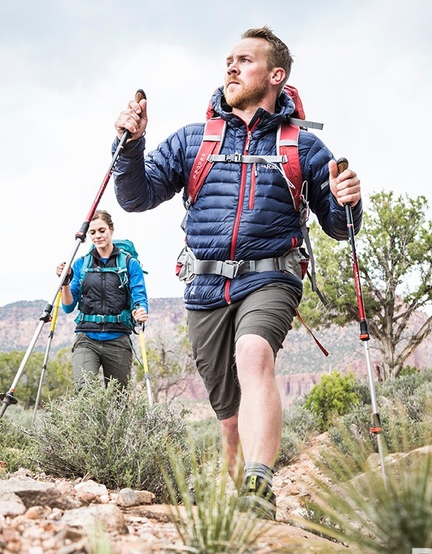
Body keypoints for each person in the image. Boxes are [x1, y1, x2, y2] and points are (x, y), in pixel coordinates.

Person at [111, 26, 362, 519]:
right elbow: (135, 198)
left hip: (272, 275)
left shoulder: (302, 147)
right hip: (204, 284)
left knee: (254, 354)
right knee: (228, 418)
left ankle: (258, 488)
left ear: (275, 75)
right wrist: (131, 146)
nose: (231, 67)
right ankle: (234, 508)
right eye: (228, 59)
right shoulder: (193, 140)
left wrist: (347, 199)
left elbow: (339, 226)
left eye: (244, 60)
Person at [55, 209, 149, 389]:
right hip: (87, 338)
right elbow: (68, 306)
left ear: (111, 230)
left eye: (101, 230)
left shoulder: (130, 264)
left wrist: (141, 310)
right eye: (92, 232)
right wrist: (65, 282)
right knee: (84, 393)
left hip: (118, 339)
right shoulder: (81, 264)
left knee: (118, 401)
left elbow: (139, 297)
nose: (97, 236)